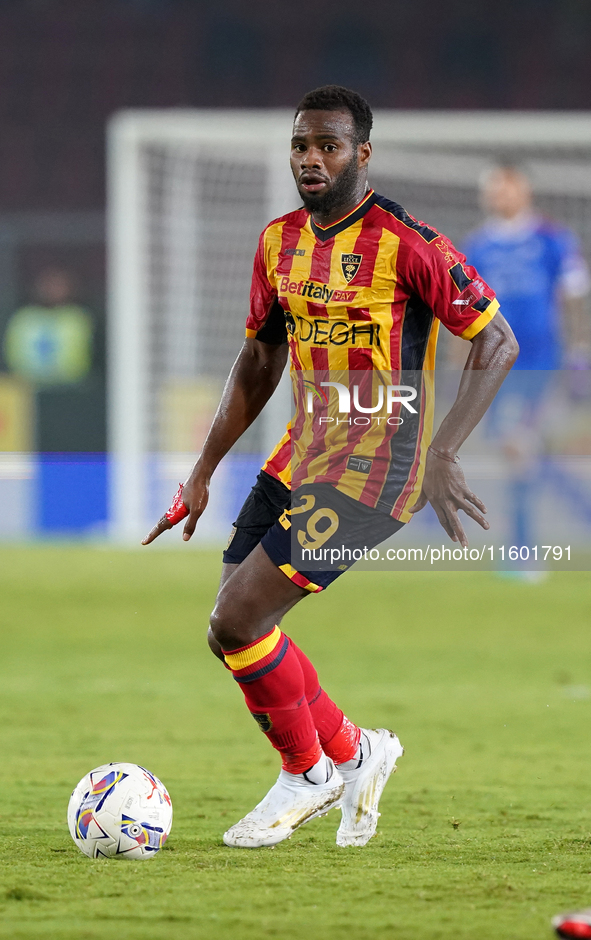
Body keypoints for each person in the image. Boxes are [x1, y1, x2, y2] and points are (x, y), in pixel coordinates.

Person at [143, 85, 518, 849]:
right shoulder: (278, 241)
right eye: (300, 146)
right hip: (301, 453)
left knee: (237, 619)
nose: (311, 159)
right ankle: (355, 752)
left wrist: (443, 450)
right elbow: (258, 358)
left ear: (362, 154)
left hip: (380, 466)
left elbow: (497, 340)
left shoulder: (406, 241)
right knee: (232, 633)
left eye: (328, 146)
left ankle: (306, 776)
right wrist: (202, 471)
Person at [463, 165, 590, 560]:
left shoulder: (552, 239)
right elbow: (463, 316)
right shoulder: (477, 247)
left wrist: (579, 351)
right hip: (495, 369)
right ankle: (522, 546)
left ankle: (523, 548)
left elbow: (572, 298)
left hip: (541, 364)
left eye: (508, 187)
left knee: (522, 449)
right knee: (518, 453)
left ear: (524, 190)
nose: (501, 195)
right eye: (494, 189)